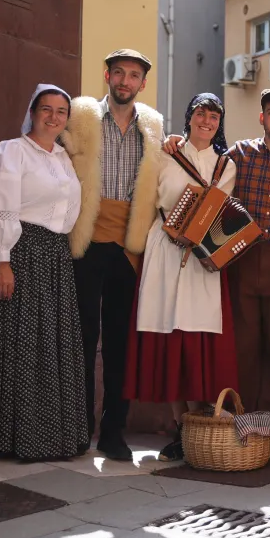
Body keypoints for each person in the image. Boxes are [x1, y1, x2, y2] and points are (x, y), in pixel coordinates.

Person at [166, 87, 270, 431]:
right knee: (242, 345)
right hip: (241, 258)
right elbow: (203, 158)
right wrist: (175, 141)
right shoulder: (240, 154)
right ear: (262, 117)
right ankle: (238, 423)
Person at [0, 84, 90, 460]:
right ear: (33, 111)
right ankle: (1, 435)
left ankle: (44, 434)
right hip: (17, 252)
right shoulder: (11, 152)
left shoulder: (63, 158)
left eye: (61, 111)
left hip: (53, 258)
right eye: (47, 109)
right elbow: (0, 204)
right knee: (10, 343)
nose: (54, 117)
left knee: (46, 347)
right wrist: (2, 260)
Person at [122, 93, 239, 461]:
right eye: (201, 114)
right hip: (165, 250)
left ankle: (205, 424)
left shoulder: (226, 166)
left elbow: (220, 213)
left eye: (214, 116)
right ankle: (178, 428)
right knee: (168, 332)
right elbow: (146, 198)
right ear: (189, 118)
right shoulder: (164, 153)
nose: (207, 121)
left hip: (201, 256)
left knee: (199, 335)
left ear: (220, 123)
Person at [61, 49, 165, 461]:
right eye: (119, 73)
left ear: (142, 83)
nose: (125, 80)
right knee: (83, 338)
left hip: (128, 247)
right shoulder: (81, 115)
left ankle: (113, 431)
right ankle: (77, 427)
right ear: (107, 75)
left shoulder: (154, 126)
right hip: (86, 242)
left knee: (122, 343)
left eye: (134, 75)